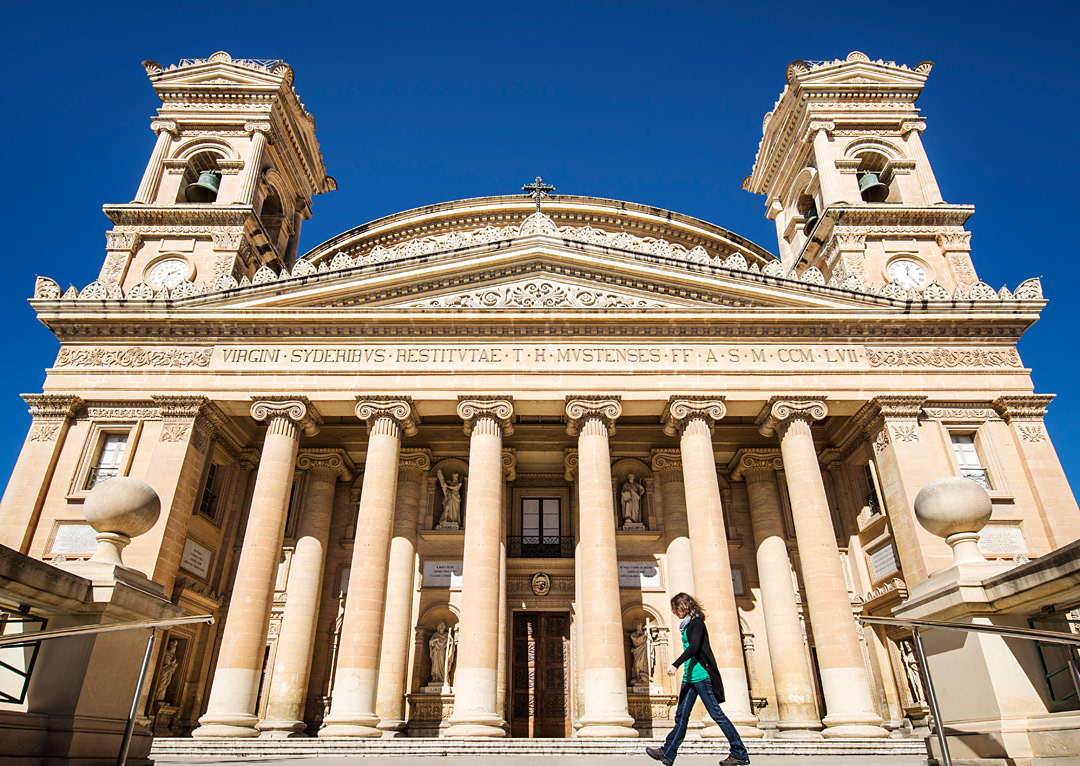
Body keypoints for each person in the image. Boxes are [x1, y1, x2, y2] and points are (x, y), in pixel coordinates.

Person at [646, 593, 749, 766]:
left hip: (701, 676)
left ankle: (739, 752)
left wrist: (675, 664)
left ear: (684, 606)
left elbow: (694, 648)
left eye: (676, 609)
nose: (675, 612)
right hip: (690, 677)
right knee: (681, 716)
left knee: (717, 714)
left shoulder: (697, 624)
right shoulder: (687, 625)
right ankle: (667, 752)